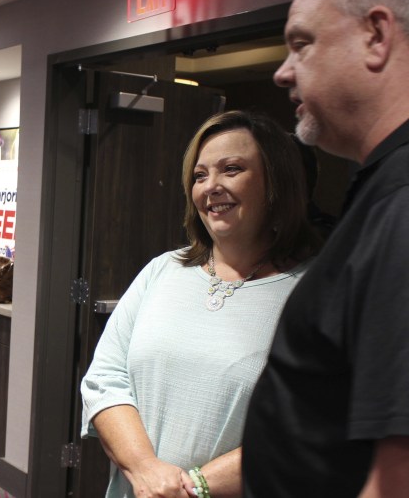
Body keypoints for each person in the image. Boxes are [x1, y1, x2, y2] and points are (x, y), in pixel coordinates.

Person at [80, 110, 319, 498]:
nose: (212, 187)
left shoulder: (312, 291)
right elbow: (105, 380)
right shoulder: (162, 270)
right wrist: (145, 471)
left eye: (232, 169)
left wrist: (193, 489)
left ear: (276, 181)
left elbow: (306, 424)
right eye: (200, 175)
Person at [242, 0, 409, 495]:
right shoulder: (380, 186)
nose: (282, 72)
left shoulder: (403, 198)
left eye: (301, 44)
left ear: (376, 36)